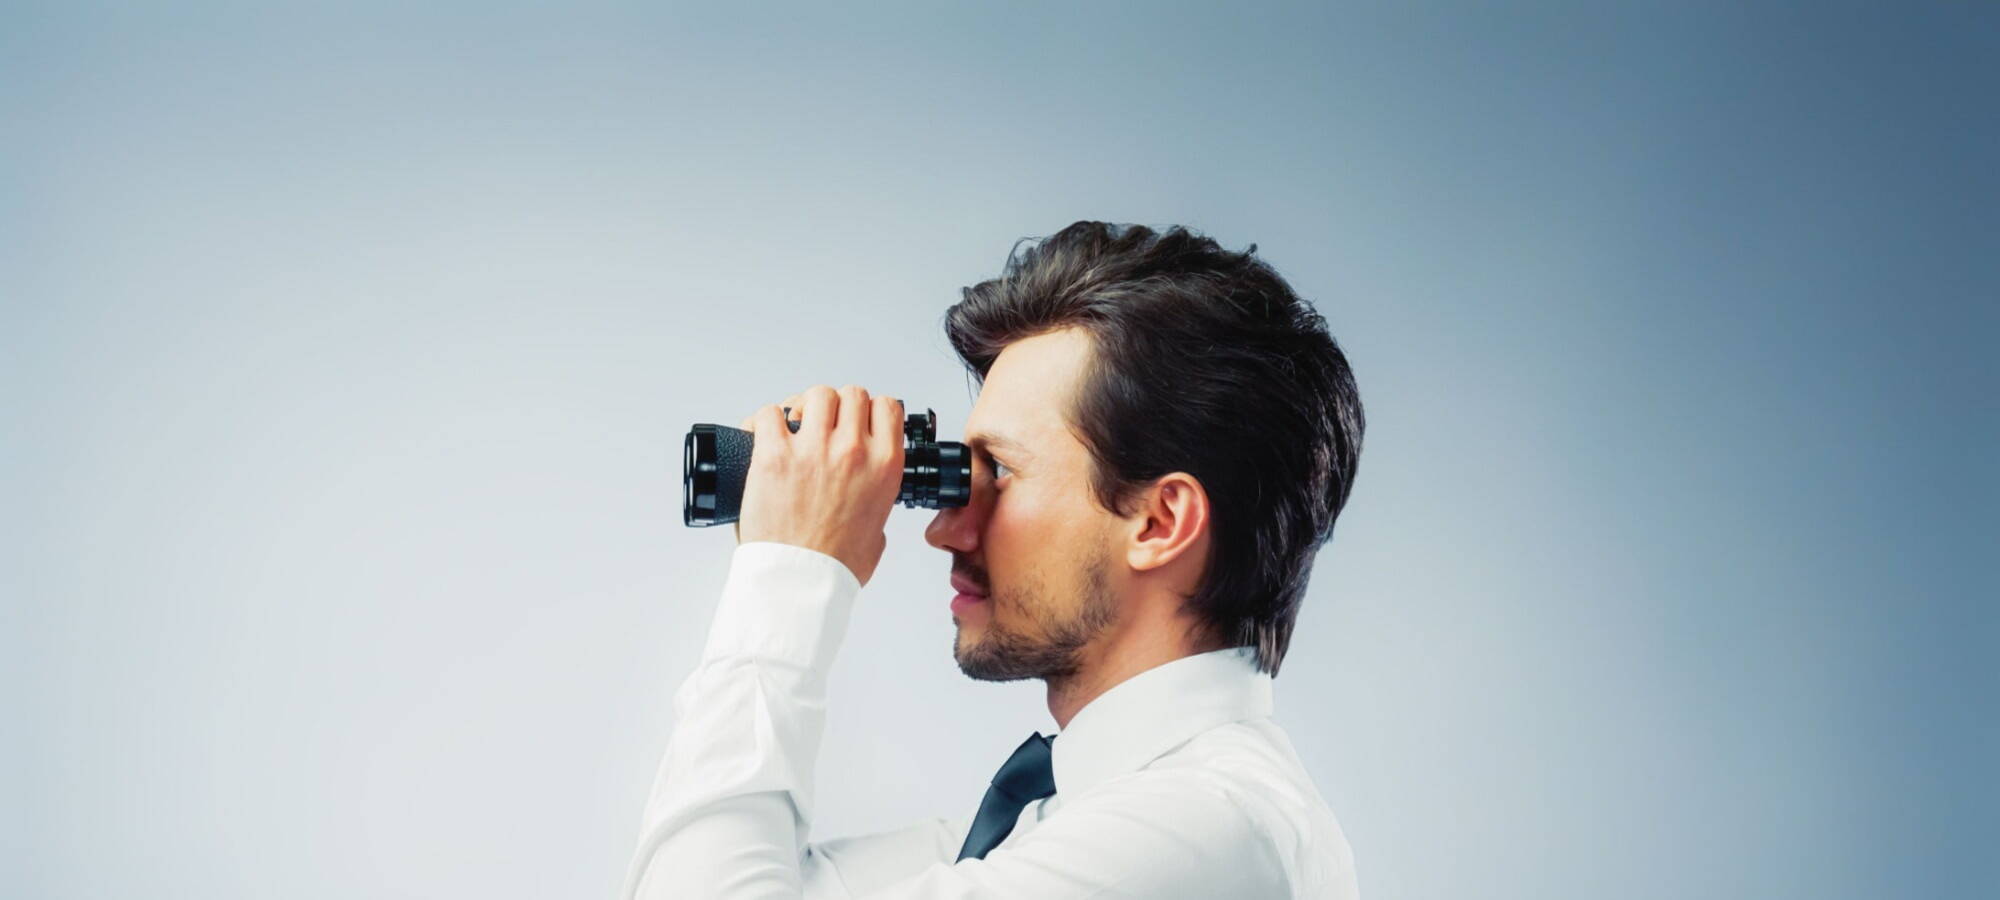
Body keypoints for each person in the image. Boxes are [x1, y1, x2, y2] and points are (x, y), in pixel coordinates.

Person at [622, 221, 1367, 898]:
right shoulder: (1051, 822)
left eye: (1000, 473)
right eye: (960, 473)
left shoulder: (1204, 832)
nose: (947, 530)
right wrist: (797, 505)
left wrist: (790, 574)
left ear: (1159, 521)